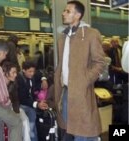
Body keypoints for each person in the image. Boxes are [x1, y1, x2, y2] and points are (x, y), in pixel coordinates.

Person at [54, 1, 105, 141]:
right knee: (68, 130)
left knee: (83, 132)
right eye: (64, 11)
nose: (63, 13)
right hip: (65, 92)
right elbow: (62, 65)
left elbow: (100, 62)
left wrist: (85, 79)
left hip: (81, 93)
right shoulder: (62, 38)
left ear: (78, 15)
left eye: (67, 11)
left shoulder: (91, 34)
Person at [17, 61, 48, 141]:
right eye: (30, 71)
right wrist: (37, 104)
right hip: (22, 105)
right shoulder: (19, 79)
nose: (32, 73)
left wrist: (44, 79)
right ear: (23, 70)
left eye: (33, 71)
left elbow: (40, 73)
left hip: (31, 104)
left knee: (32, 127)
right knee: (30, 127)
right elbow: (22, 99)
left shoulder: (33, 75)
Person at [2, 61, 31, 141]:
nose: (16, 74)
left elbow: (15, 100)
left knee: (25, 120)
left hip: (12, 108)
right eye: (13, 72)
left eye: (16, 72)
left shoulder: (13, 84)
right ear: (5, 72)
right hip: (2, 110)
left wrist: (16, 112)